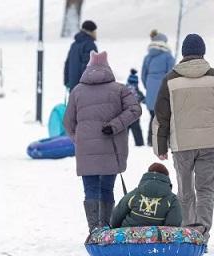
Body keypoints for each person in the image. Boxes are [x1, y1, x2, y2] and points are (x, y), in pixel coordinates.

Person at [153, 34, 214, 243]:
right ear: (202, 52)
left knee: (185, 191)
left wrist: (160, 146)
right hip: (211, 143)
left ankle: (187, 233)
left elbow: (161, 116)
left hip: (181, 145)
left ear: (183, 53)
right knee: (206, 190)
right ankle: (202, 233)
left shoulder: (170, 79)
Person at [63, 51, 142, 232]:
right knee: (107, 188)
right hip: (111, 148)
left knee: (90, 189)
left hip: (86, 150)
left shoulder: (77, 91)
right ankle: (106, 227)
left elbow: (68, 122)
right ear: (107, 67)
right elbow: (135, 110)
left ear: (88, 68)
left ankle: (94, 229)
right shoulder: (120, 89)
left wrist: (78, 139)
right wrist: (115, 125)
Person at [110, 163, 182, 228]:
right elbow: (173, 224)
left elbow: (117, 216)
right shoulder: (172, 199)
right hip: (157, 238)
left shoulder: (134, 194)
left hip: (128, 235)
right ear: (166, 178)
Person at [141, 32, 175, 146]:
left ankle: (151, 141)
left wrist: (149, 87)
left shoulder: (147, 57)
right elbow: (171, 74)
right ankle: (165, 142)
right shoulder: (168, 57)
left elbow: (143, 75)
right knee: (165, 117)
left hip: (150, 90)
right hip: (163, 90)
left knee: (152, 116)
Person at [64, 20, 98, 91]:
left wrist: (67, 82)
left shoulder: (74, 45)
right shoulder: (90, 45)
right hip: (84, 88)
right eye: (95, 31)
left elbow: (67, 64)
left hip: (73, 86)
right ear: (91, 32)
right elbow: (89, 66)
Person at [126, 68, 145, 146]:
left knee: (124, 132)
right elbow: (144, 99)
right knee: (137, 130)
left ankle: (122, 144)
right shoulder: (137, 92)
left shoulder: (123, 90)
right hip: (135, 115)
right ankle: (139, 144)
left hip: (124, 115)